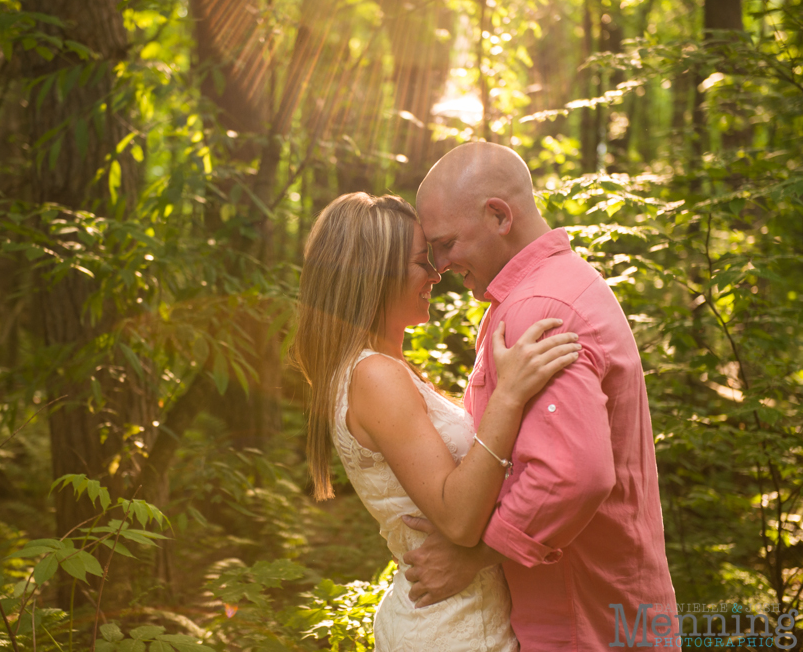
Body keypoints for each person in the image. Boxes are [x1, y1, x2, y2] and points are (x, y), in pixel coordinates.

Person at [404, 142, 680, 651]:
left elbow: (573, 475)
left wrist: (475, 555)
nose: (438, 266)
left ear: (498, 216)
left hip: (582, 623)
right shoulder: (549, 288)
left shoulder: (540, 305)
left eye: (445, 244)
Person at [290, 192, 583, 651]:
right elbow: (459, 519)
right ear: (373, 275)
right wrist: (508, 395)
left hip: (455, 614)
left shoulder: (380, 369)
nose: (435, 273)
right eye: (419, 261)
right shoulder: (375, 376)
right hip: (452, 630)